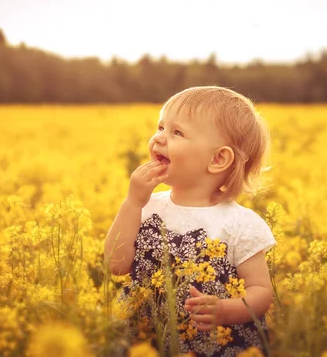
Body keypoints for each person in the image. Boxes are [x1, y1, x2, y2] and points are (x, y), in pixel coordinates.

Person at [104, 86, 276, 357]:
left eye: (177, 132)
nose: (159, 138)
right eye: (161, 127)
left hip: (211, 346)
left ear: (218, 159)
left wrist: (225, 310)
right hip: (145, 342)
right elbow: (115, 265)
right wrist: (132, 202)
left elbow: (261, 292)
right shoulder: (147, 206)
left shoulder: (239, 224)